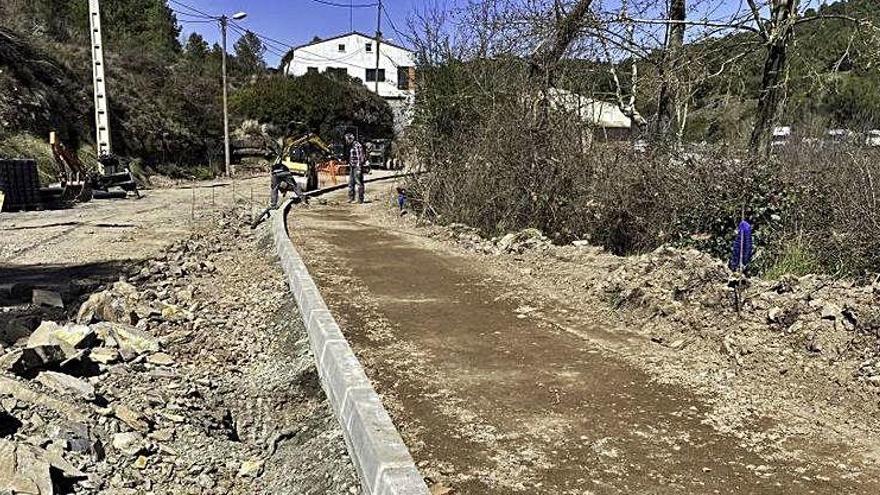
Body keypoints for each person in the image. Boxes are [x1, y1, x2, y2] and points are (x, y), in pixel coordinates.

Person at [345, 132, 365, 204]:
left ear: (350, 139)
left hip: (357, 166)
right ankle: (351, 198)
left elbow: (360, 157)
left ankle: (360, 199)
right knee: (351, 182)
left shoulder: (357, 145)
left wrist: (359, 168)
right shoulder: (351, 146)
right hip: (352, 166)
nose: (346, 141)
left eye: (347, 140)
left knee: (359, 182)